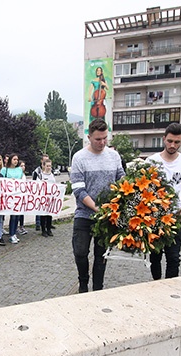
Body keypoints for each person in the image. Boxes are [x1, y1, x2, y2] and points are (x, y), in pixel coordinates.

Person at [71, 118, 124, 293]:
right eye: (98, 139)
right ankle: (83, 283)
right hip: (84, 215)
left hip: (107, 216)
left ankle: (98, 288)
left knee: (102, 256)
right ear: (89, 137)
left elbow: (122, 180)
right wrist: (96, 208)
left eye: (105, 138)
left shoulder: (114, 156)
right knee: (80, 252)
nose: (102, 143)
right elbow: (79, 189)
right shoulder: (79, 157)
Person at [144, 123, 181, 280]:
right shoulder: (151, 161)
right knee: (155, 256)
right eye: (170, 141)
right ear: (164, 139)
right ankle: (157, 284)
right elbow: (144, 187)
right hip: (155, 218)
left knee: (174, 257)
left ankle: (171, 286)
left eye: (177, 142)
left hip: (176, 217)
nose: (173, 145)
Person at [1, 154, 25, 244]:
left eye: (17, 159)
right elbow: (1, 181)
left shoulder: (19, 169)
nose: (16, 161)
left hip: (17, 195)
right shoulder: (4, 170)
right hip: (9, 195)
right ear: (10, 160)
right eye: (14, 159)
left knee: (17, 215)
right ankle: (11, 234)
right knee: (13, 215)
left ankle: (14, 232)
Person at [32, 154, 50, 231]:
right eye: (44, 160)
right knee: (40, 209)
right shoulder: (37, 171)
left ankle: (48, 224)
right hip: (40, 193)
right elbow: (34, 181)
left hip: (48, 194)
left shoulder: (49, 171)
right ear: (41, 161)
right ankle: (38, 223)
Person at [39, 159, 56, 237]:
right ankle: (43, 230)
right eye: (47, 166)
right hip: (43, 198)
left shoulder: (52, 175)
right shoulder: (41, 175)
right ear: (44, 166)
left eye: (50, 166)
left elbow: (54, 185)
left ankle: (49, 229)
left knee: (49, 214)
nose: (49, 167)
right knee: (43, 215)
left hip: (50, 198)